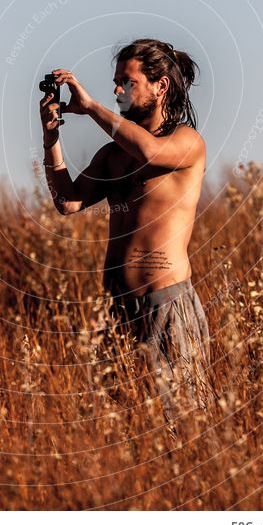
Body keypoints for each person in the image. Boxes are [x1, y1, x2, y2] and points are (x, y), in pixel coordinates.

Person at [39, 38, 210, 421]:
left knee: (180, 426)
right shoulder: (112, 155)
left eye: (127, 82)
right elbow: (67, 202)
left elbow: (149, 152)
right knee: (124, 428)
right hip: (116, 312)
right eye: (115, 82)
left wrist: (91, 108)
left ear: (160, 85)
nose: (117, 90)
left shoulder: (186, 143)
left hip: (165, 306)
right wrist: (51, 136)